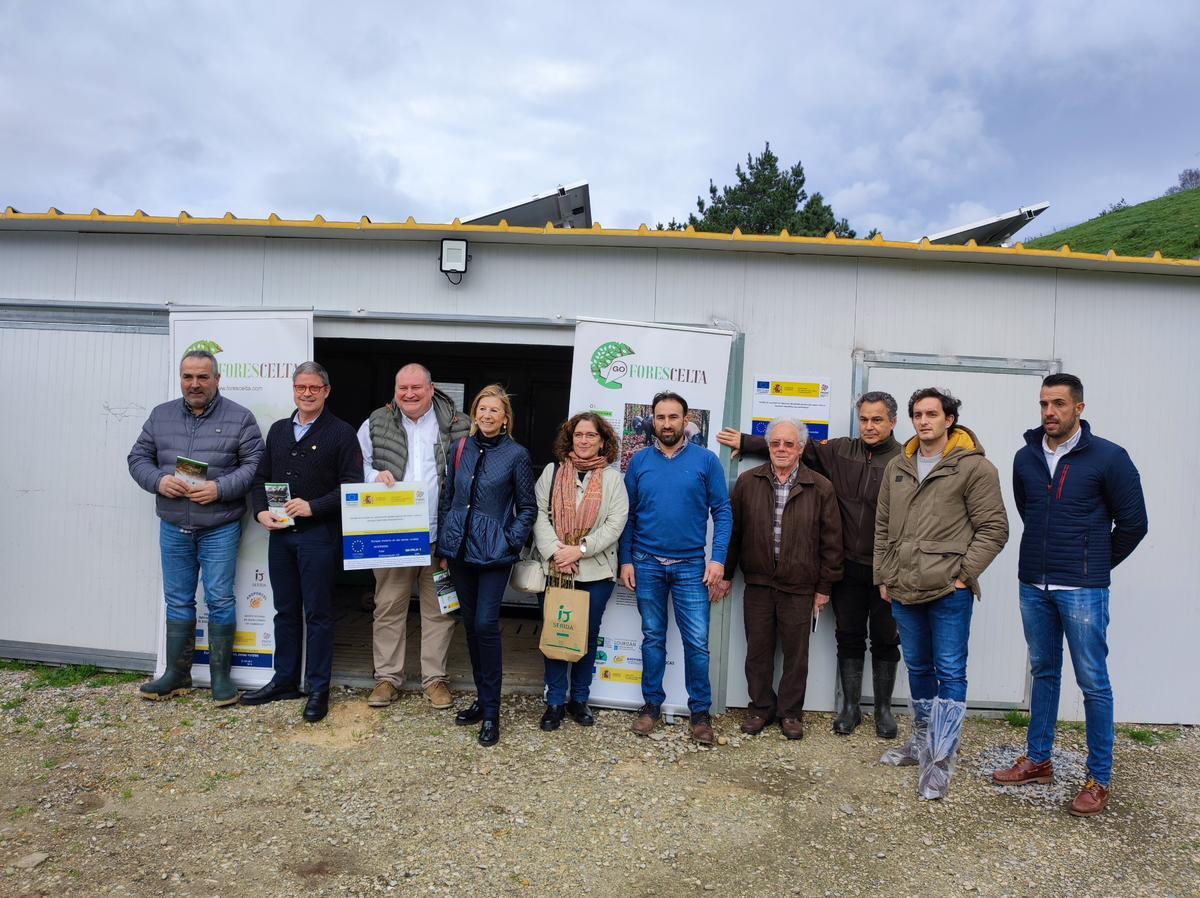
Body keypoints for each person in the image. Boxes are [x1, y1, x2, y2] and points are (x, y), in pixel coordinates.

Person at [992, 373, 1147, 816]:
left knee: (1093, 683)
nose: (1049, 413)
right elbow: (1029, 511)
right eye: (1043, 404)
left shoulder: (1110, 458)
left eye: (1058, 404)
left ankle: (1099, 778)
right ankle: (1038, 760)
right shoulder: (1026, 457)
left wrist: (1092, 565)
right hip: (1034, 585)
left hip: (1083, 589)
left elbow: (1134, 524)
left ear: (1079, 407)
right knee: (1044, 672)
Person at [718, 390, 904, 737]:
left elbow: (829, 536)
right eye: (864, 419)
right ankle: (838, 709)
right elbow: (736, 530)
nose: (869, 426)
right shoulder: (839, 452)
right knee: (834, 639)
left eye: (877, 419)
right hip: (827, 571)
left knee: (881, 639)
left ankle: (878, 711)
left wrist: (822, 585)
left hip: (883, 568)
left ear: (892, 422)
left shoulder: (902, 461)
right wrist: (746, 441)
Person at [874, 388, 1008, 800]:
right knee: (918, 667)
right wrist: (884, 575)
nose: (924, 421)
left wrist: (964, 575)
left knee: (950, 670)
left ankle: (941, 758)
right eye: (918, 414)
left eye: (932, 413)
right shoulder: (898, 466)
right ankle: (921, 743)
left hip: (949, 590)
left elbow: (994, 528)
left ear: (949, 419)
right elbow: (882, 526)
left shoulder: (974, 469)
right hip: (904, 587)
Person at [127, 349, 264, 706]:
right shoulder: (161, 415)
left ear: (217, 379)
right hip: (174, 524)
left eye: (203, 377)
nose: (195, 384)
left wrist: (220, 488)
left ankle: (221, 678)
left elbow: (254, 466)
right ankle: (176, 674)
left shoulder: (240, 418)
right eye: (188, 377)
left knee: (219, 599)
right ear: (181, 379)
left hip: (219, 525)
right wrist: (159, 481)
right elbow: (138, 458)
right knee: (178, 600)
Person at [239, 362, 361, 723]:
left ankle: (319, 687)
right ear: (293, 390)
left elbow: (351, 486)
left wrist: (314, 507)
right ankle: (284, 681)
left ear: (326, 391)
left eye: (313, 388)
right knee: (285, 612)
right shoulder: (278, 430)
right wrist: (261, 512)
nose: (306, 393)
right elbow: (261, 477)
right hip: (280, 537)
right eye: (300, 388)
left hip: (318, 537)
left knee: (319, 614)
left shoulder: (341, 433)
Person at [716, 418, 843, 740]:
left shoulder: (820, 487)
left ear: (801, 448)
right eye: (775, 443)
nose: (782, 449)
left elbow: (831, 543)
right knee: (757, 652)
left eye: (789, 444)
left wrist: (824, 588)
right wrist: (726, 574)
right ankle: (760, 708)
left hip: (800, 587)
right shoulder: (747, 481)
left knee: (796, 655)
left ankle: (790, 713)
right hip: (758, 584)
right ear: (768, 446)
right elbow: (733, 533)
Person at [619, 391, 732, 745]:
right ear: (652, 420)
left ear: (686, 420)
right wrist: (625, 559)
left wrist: (718, 559)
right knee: (653, 638)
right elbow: (628, 515)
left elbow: (723, 512)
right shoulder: (639, 462)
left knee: (697, 643)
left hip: (691, 567)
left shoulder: (706, 460)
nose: (666, 423)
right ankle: (651, 705)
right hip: (646, 563)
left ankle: (700, 714)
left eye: (673, 417)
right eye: (661, 417)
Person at [358, 364, 470, 712]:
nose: (409, 394)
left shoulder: (458, 424)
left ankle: (434, 679)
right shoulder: (375, 422)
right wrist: (374, 475)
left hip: (440, 536)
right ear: (395, 389)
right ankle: (387, 678)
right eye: (402, 388)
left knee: (440, 609)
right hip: (394, 534)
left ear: (431, 388)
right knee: (389, 606)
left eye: (416, 387)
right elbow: (355, 463)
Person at [436, 384, 536, 746]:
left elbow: (528, 508)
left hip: (494, 554)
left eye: (495, 410)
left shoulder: (516, 455)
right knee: (470, 626)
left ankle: (492, 712)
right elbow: (449, 496)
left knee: (485, 624)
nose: (487, 415)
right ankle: (482, 700)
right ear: (474, 413)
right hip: (460, 551)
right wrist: (446, 541)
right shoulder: (461, 447)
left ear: (505, 417)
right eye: (482, 409)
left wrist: (509, 540)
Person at [532, 413, 628, 730]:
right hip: (557, 569)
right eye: (578, 435)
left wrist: (580, 549)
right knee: (557, 635)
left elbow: (616, 523)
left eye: (591, 435)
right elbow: (538, 517)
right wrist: (559, 552)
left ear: (603, 441)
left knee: (585, 638)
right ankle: (555, 701)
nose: (584, 441)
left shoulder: (613, 479)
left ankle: (580, 699)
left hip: (596, 573)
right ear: (570, 439)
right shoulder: (553, 472)